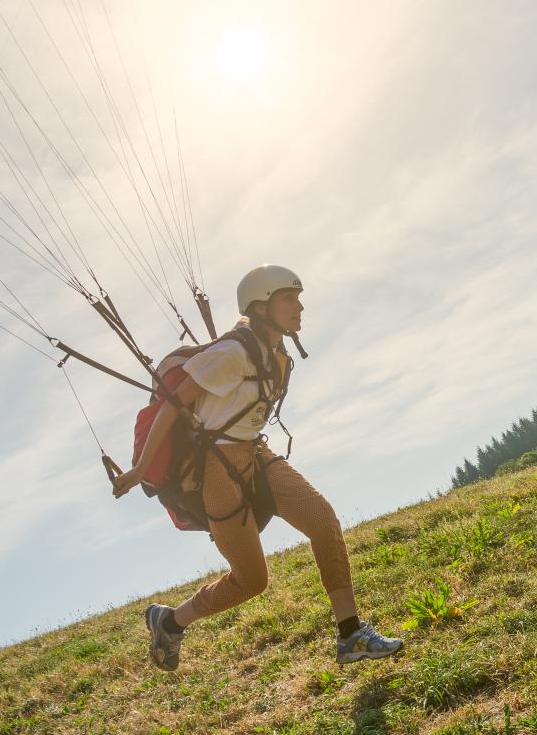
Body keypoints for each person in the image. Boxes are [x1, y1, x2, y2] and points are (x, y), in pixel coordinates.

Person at [113, 265, 403, 670]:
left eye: (298, 298)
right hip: (215, 468)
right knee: (252, 581)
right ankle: (171, 621)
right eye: (289, 298)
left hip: (256, 455)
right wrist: (140, 468)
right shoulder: (231, 353)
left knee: (322, 521)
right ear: (260, 305)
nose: (299, 307)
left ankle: (351, 634)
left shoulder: (277, 353)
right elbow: (172, 406)